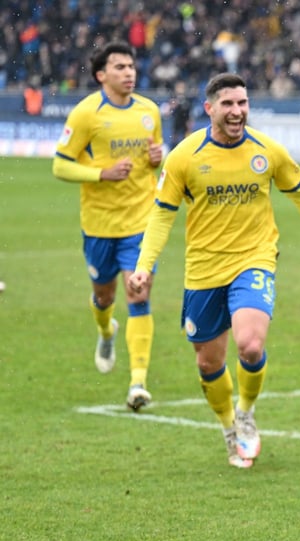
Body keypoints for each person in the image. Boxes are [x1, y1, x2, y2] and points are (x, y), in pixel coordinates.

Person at [128, 73, 300, 469]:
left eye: (243, 103)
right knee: (208, 363)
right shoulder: (185, 156)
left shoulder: (266, 150)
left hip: (254, 260)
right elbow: (162, 216)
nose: (237, 111)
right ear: (210, 109)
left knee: (250, 345)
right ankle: (229, 427)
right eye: (229, 104)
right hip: (203, 271)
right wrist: (144, 267)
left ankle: (247, 413)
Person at [53, 42, 164, 411]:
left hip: (141, 221)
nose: (129, 72)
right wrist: (101, 173)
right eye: (120, 67)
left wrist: (155, 159)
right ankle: (106, 330)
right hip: (100, 224)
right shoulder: (86, 114)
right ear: (101, 75)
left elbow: (155, 159)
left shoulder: (149, 110)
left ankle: (138, 383)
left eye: (131, 66)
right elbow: (61, 165)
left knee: (139, 293)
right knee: (105, 297)